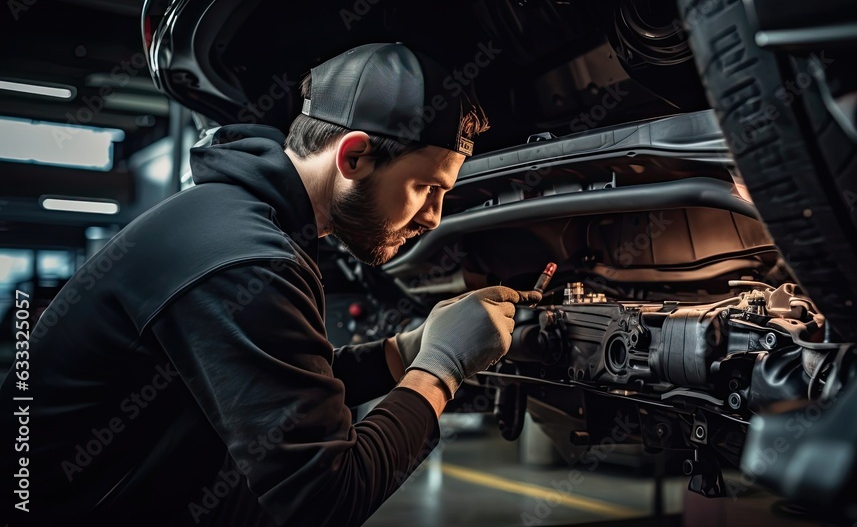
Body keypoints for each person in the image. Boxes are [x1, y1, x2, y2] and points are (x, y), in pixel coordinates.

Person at [0, 43, 540, 526]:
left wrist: (405, 352)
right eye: (425, 187)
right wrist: (440, 369)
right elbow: (326, 498)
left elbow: (280, 392)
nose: (433, 218)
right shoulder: (249, 258)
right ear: (353, 157)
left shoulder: (235, 219)